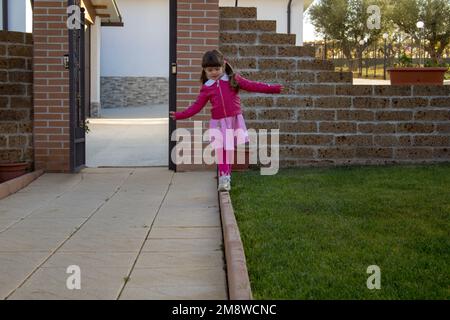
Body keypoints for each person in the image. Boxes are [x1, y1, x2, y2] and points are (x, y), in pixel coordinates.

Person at [170, 49, 283, 191]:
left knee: (228, 150)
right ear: (204, 70)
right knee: (220, 150)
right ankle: (224, 178)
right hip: (218, 123)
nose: (214, 72)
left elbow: (253, 85)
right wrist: (180, 115)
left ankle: (225, 177)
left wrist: (274, 89)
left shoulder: (233, 79)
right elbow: (196, 107)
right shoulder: (207, 88)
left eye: (217, 69)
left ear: (223, 66)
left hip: (233, 121)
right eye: (210, 70)